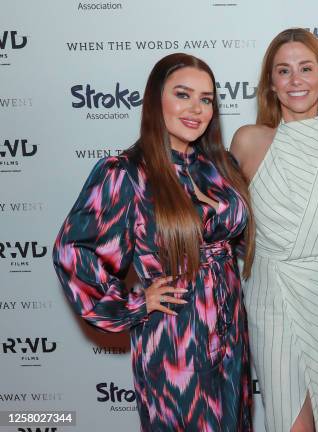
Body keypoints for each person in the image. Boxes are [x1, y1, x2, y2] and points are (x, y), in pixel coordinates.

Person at [53, 53, 254, 431]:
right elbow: (72, 252)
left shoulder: (221, 166)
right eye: (183, 94)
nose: (196, 108)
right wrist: (133, 303)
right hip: (174, 342)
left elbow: (242, 241)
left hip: (231, 334)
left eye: (206, 99)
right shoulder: (126, 173)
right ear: (154, 100)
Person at [230, 28, 318, 432]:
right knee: (292, 424)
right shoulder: (248, 142)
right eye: (283, 71)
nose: (296, 80)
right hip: (272, 297)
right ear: (271, 83)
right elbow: (217, 225)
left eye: (306, 68)